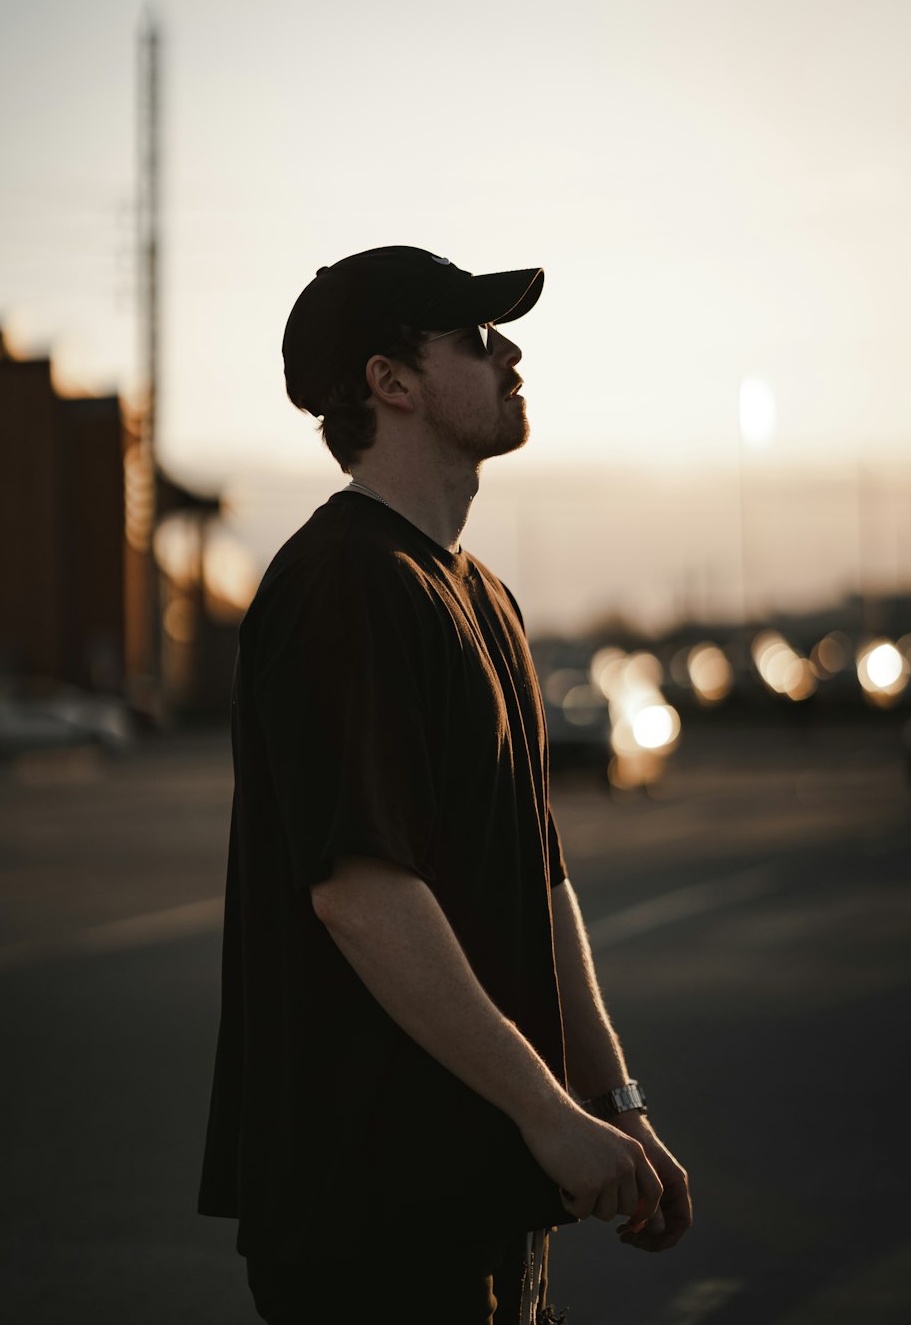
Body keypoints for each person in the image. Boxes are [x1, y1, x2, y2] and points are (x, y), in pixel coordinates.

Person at [198, 246, 691, 1325]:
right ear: (392, 382)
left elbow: (541, 884)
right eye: (473, 336)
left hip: (479, 1190)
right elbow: (362, 893)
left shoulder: (484, 599)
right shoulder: (345, 586)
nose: (509, 351)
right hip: (369, 1211)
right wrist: (546, 1115)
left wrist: (612, 1106)